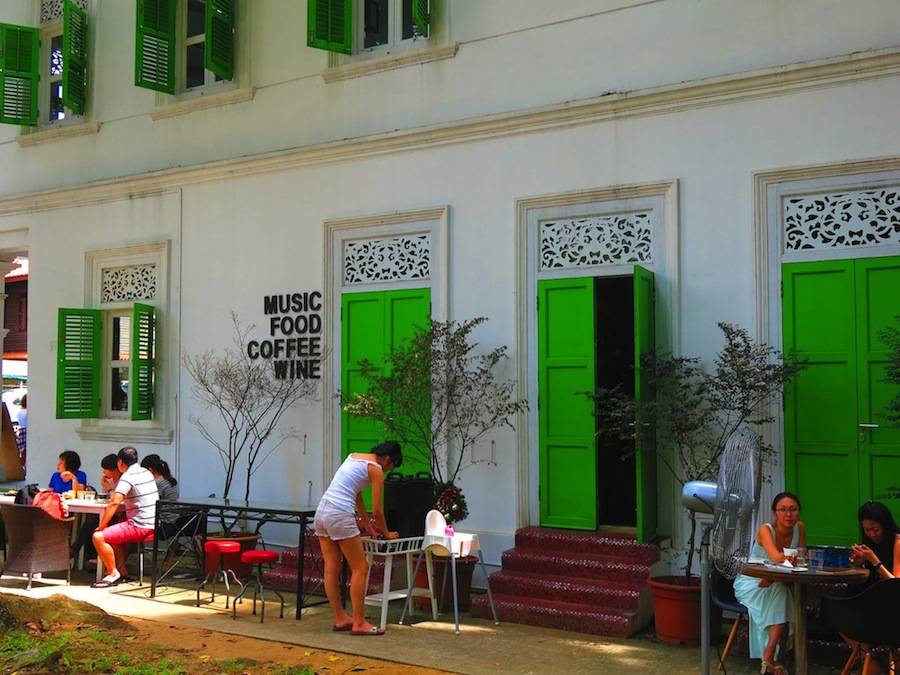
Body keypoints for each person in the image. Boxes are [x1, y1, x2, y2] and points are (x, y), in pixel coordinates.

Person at [314, 440, 403, 636]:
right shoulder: (376, 469)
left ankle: (340, 618)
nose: (387, 471)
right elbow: (378, 510)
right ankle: (359, 622)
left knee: (331, 569)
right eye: (391, 467)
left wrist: (368, 525)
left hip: (322, 511)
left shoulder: (353, 457)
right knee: (361, 567)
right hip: (339, 514)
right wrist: (386, 533)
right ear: (388, 459)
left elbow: (356, 495)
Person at [733, 492, 806, 675]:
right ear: (775, 512)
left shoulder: (800, 528)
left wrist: (776, 575)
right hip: (752, 581)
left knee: (781, 591)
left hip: (778, 580)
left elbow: (801, 559)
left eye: (793, 510)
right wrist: (784, 565)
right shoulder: (766, 530)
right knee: (783, 593)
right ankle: (777, 657)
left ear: (799, 512)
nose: (788, 514)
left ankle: (769, 655)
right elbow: (776, 557)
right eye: (783, 510)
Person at [91, 446, 159, 588]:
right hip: (154, 523)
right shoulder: (146, 472)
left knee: (98, 536)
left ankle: (112, 573)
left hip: (139, 525)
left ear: (120, 462)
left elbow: (114, 501)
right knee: (114, 532)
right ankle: (121, 569)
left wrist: (101, 526)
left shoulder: (127, 477)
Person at [70, 454, 122, 564]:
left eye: (106, 469)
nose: (104, 472)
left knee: (92, 520)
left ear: (114, 470)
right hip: (106, 512)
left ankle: (75, 549)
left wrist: (108, 488)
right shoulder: (109, 481)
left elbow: (117, 500)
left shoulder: (123, 482)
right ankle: (79, 551)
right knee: (91, 518)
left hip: (119, 514)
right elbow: (106, 497)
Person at [850, 500, 900, 580]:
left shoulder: (897, 542)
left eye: (876, 530)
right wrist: (858, 563)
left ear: (885, 526)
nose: (872, 534)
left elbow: (896, 584)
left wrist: (874, 560)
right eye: (867, 530)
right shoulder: (869, 543)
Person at [141, 453, 180, 538]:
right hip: (176, 520)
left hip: (164, 524)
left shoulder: (157, 483)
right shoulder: (170, 479)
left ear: (150, 470)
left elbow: (148, 502)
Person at [15, 393, 26, 472]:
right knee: (26, 451)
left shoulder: (20, 411)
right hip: (26, 431)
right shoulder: (27, 412)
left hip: (21, 431)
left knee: (22, 451)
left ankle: (21, 467)